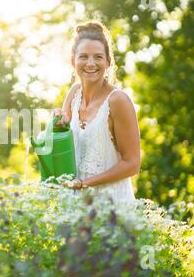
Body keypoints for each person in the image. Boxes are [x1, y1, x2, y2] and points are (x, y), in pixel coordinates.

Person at [53, 20, 140, 204]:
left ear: (108, 62)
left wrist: (84, 183)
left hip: (113, 209)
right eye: (83, 56)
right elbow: (64, 146)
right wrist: (58, 125)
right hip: (76, 206)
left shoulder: (118, 101)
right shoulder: (74, 94)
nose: (90, 63)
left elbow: (132, 164)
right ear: (73, 61)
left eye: (98, 57)